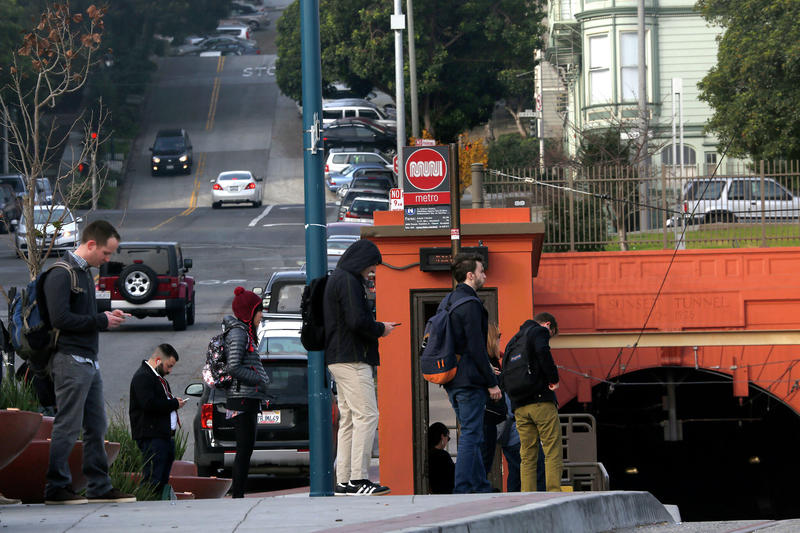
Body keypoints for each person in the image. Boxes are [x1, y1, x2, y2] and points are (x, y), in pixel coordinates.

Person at [43, 220, 136, 505]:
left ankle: (99, 486)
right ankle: (56, 488)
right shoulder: (62, 274)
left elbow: (85, 311)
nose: (107, 260)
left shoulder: (84, 274)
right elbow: (59, 319)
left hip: (88, 361)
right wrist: (101, 320)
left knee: (97, 426)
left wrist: (109, 313)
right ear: (91, 244)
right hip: (70, 359)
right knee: (68, 426)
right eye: (106, 253)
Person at [325, 239, 396, 496]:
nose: (372, 272)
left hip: (337, 357)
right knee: (367, 415)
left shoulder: (338, 278)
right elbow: (357, 321)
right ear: (362, 262)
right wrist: (380, 329)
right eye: (371, 267)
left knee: (350, 420)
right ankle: (358, 479)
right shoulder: (350, 281)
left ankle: (344, 480)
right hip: (353, 358)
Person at [444, 253, 501, 494]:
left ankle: (480, 485)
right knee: (470, 434)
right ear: (470, 275)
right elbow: (476, 349)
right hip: (469, 381)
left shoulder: (449, 300)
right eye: (481, 271)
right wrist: (492, 382)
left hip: (453, 380)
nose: (484, 275)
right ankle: (464, 488)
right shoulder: (471, 305)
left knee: (473, 433)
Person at [508, 312, 562, 492]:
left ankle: (527, 495)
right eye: (551, 334)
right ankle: (554, 491)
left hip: (520, 406)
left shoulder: (514, 340)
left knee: (527, 454)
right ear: (548, 325)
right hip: (541, 402)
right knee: (551, 449)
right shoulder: (539, 331)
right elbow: (543, 353)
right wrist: (554, 379)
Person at [225, 286, 270, 498]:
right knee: (244, 450)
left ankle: (239, 493)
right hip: (241, 398)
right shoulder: (239, 334)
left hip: (247, 398)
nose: (262, 315)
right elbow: (233, 366)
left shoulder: (244, 333)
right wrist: (258, 379)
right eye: (259, 310)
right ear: (249, 312)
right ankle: (238, 495)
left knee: (246, 450)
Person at [129, 343, 186, 496]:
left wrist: (173, 402)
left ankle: (158, 502)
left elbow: (160, 402)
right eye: (169, 366)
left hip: (164, 435)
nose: (170, 370)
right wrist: (173, 403)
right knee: (153, 478)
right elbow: (148, 404)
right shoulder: (143, 376)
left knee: (162, 478)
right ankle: (148, 502)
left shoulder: (159, 379)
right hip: (152, 436)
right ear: (159, 360)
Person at [481, 322, 522, 492]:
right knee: (487, 459)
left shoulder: (492, 361)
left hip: (498, 420)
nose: (499, 340)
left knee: (511, 466)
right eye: (498, 337)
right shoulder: (490, 362)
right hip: (499, 419)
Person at [428, 422, 454, 494]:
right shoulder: (443, 455)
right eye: (448, 438)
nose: (447, 441)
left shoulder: (427, 454)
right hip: (446, 493)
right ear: (442, 436)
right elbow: (452, 475)